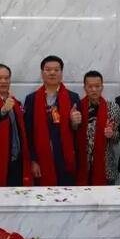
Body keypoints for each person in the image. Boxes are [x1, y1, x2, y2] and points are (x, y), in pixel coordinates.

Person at [24, 55, 82, 186]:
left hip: (66, 160)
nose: (52, 73)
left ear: (61, 73)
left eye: (56, 70)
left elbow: (78, 132)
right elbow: (28, 133)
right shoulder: (31, 99)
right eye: (48, 69)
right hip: (41, 159)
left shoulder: (73, 97)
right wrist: (33, 160)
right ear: (42, 73)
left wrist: (75, 123)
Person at [0, 64, 32, 186]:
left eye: (6, 78)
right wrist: (2, 110)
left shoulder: (16, 103)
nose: (3, 81)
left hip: (18, 162)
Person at [75, 71, 120, 185]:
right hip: (81, 166)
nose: (94, 89)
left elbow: (117, 139)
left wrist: (111, 134)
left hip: (106, 167)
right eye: (90, 86)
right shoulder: (77, 107)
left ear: (102, 87)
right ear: (84, 88)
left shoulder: (112, 107)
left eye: (97, 86)